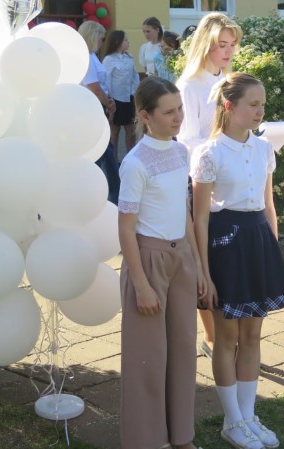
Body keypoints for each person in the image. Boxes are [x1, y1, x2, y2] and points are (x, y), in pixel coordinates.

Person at [192, 72, 284, 449]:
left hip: (257, 243)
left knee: (252, 335)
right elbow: (199, 219)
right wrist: (204, 273)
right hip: (225, 246)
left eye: (262, 104)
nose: (260, 111)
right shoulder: (209, 153)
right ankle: (232, 422)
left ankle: (248, 417)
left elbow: (268, 205)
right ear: (229, 106)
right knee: (227, 336)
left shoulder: (264, 148)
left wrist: (271, 250)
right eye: (253, 104)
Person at [117, 76, 207, 449]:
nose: (179, 117)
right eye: (169, 112)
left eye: (180, 108)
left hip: (181, 258)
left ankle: (181, 436)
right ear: (145, 116)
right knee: (148, 359)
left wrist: (197, 264)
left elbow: (183, 211)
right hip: (148, 261)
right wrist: (141, 285)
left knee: (183, 350)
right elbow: (126, 229)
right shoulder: (135, 163)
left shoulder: (181, 152)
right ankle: (147, 441)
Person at [177, 12, 243, 359]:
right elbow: (185, 140)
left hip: (230, 180)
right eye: (222, 45)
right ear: (206, 45)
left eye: (232, 44)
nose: (229, 51)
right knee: (203, 254)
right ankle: (212, 336)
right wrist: (217, 146)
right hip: (200, 180)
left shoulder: (230, 80)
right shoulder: (189, 86)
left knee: (224, 253)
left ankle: (226, 330)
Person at [78, 20, 119, 205]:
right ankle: (112, 195)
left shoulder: (91, 55)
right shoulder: (86, 57)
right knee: (104, 152)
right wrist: (108, 104)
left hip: (97, 105)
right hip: (92, 107)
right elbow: (94, 87)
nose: (103, 42)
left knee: (102, 151)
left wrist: (109, 101)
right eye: (102, 38)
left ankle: (106, 193)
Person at [102, 29, 140, 158]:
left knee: (131, 131)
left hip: (129, 98)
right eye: (126, 40)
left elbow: (134, 76)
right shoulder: (109, 59)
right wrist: (109, 99)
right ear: (117, 42)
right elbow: (106, 80)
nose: (129, 42)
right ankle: (114, 161)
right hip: (116, 99)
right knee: (115, 131)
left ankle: (130, 159)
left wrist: (136, 93)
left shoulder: (129, 57)